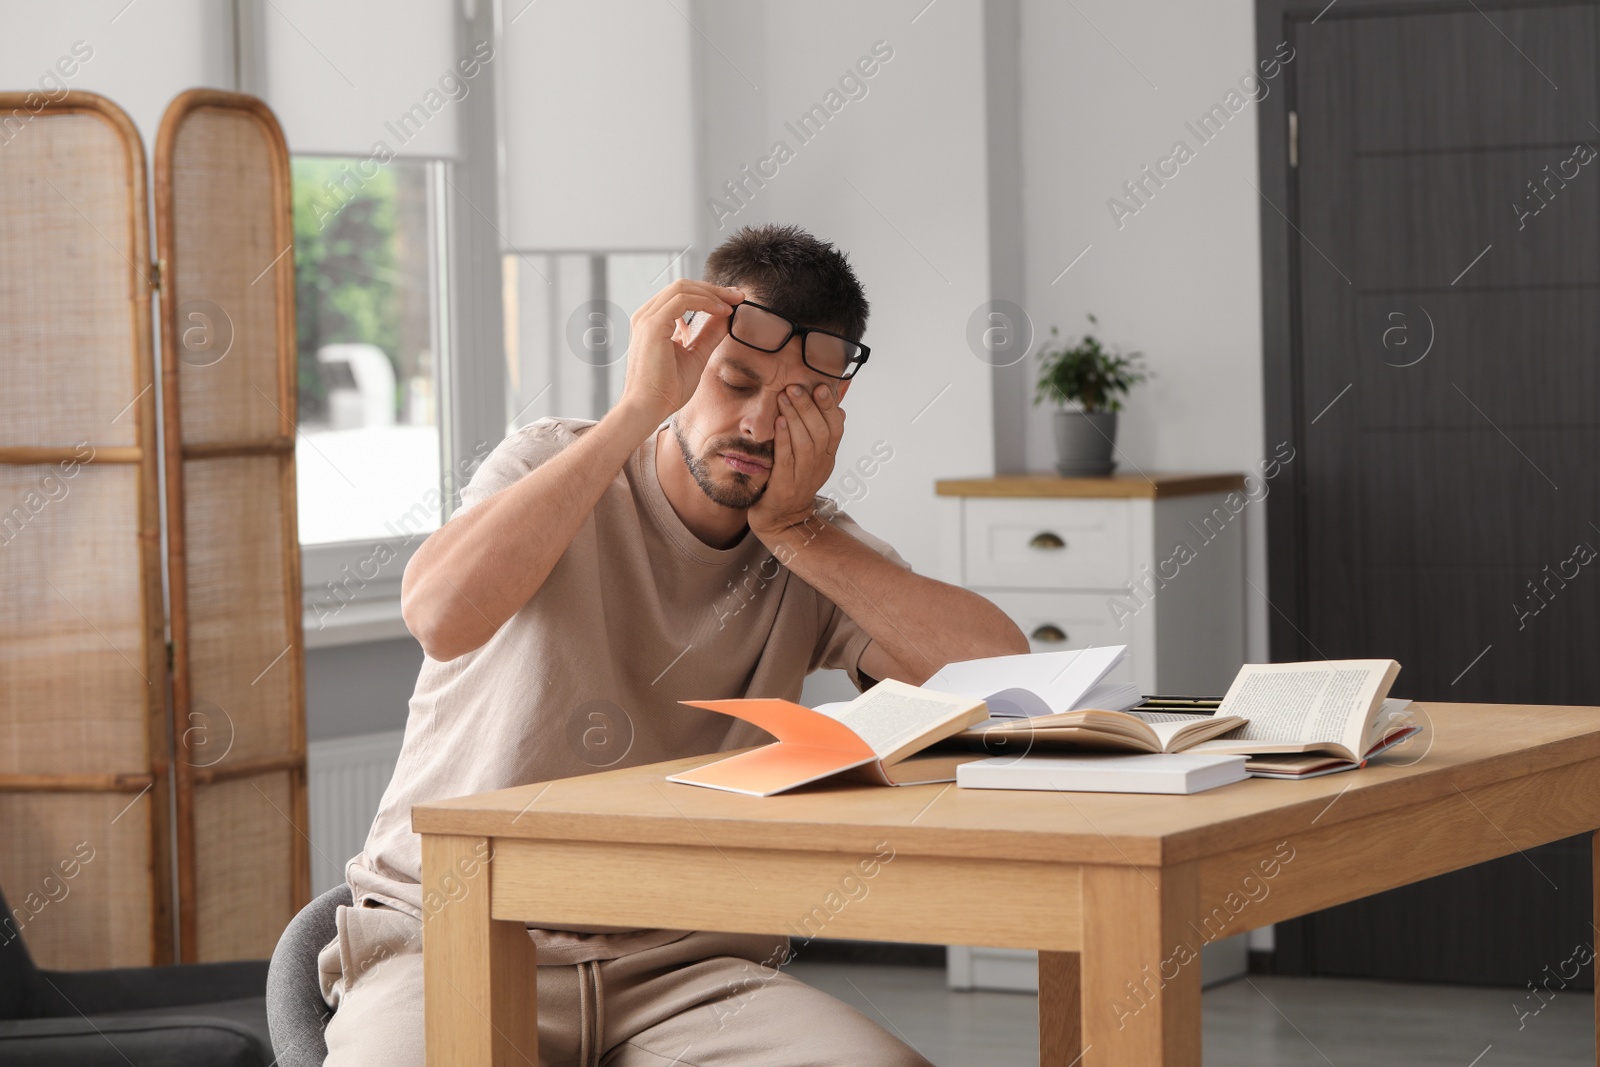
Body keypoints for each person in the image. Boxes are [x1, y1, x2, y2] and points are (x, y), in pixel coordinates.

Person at [318, 223, 1029, 1066]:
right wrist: (632, 414)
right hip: (453, 933)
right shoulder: (548, 462)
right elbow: (439, 614)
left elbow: (1007, 679)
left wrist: (796, 533)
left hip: (685, 971)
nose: (759, 424)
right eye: (736, 381)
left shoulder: (811, 546)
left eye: (800, 402)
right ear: (684, 358)